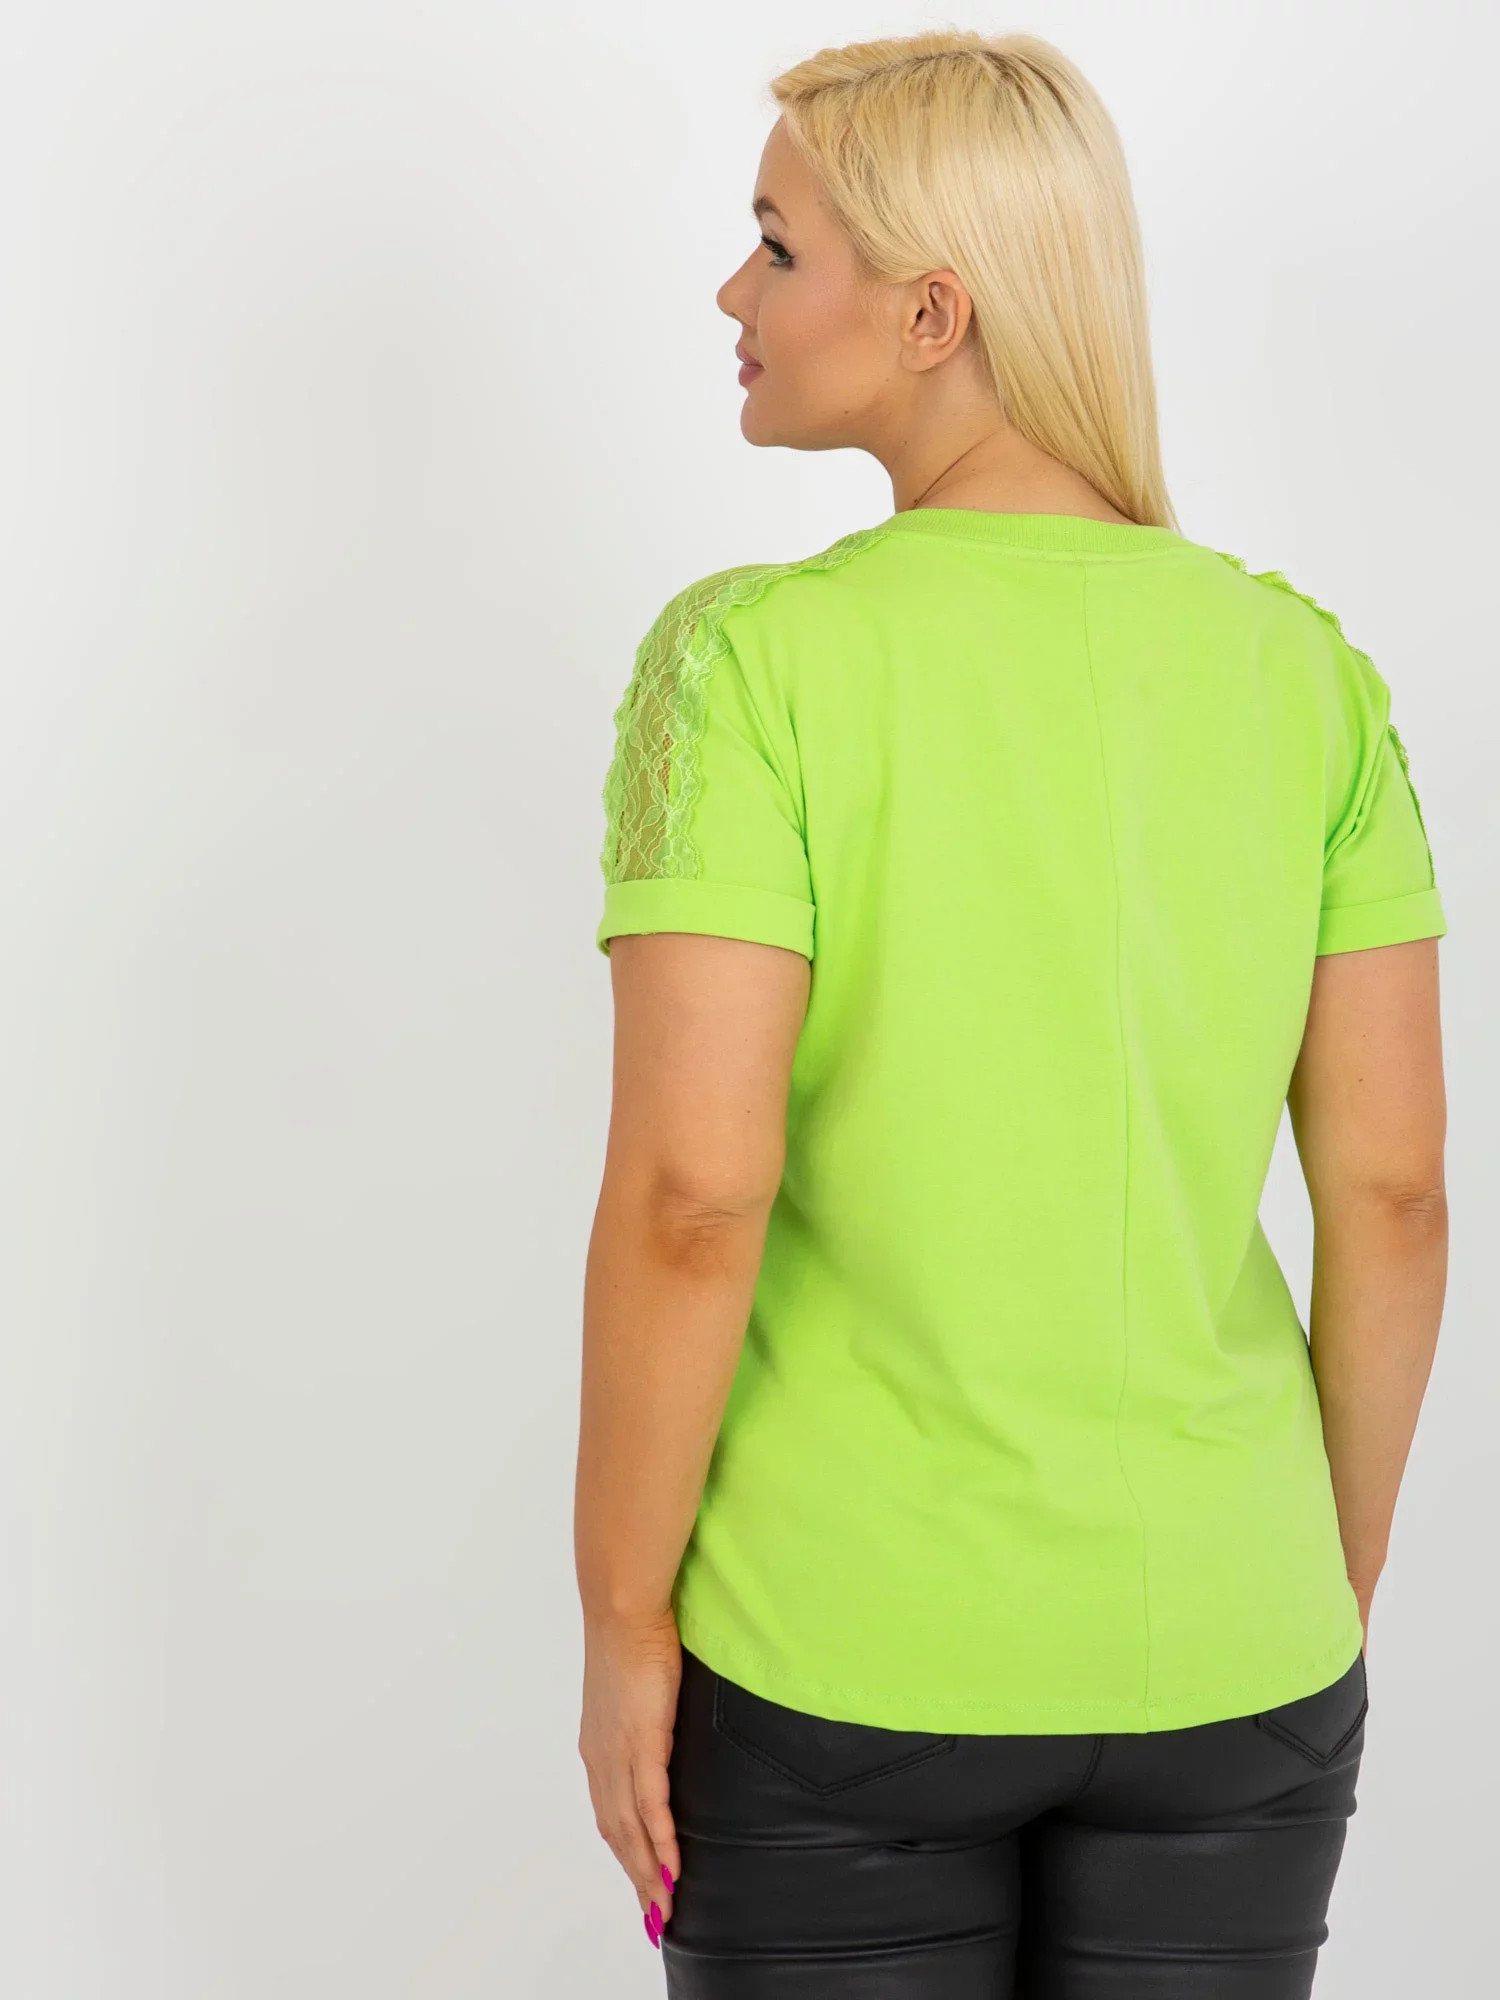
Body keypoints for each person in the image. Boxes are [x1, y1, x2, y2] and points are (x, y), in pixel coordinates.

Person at [573, 28, 1449, 1998]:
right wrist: (1314, 1579)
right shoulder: (1304, 674)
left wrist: (623, 1619)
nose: (731, 295)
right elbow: (1393, 1194)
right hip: (1234, 1641)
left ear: (934, 312)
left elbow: (696, 1194)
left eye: (777, 248)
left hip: (840, 1649)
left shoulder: (750, 665)